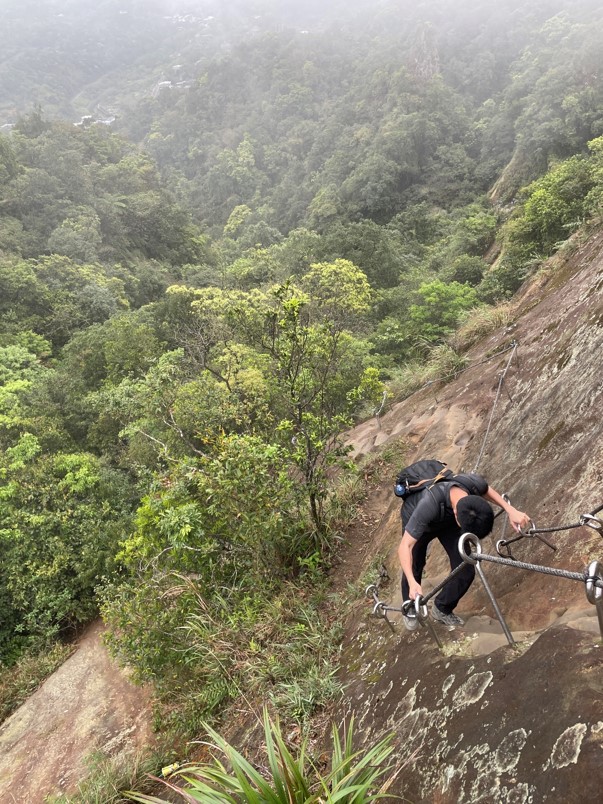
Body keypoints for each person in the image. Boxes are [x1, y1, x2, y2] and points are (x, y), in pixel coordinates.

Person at [397, 472, 529, 629]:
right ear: (456, 514)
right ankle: (410, 606)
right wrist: (412, 582)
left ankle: (442, 608)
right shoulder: (427, 505)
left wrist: (509, 509)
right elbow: (405, 546)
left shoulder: (471, 484)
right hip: (419, 522)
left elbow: (486, 489)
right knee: (414, 564)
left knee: (465, 567)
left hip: (447, 520)